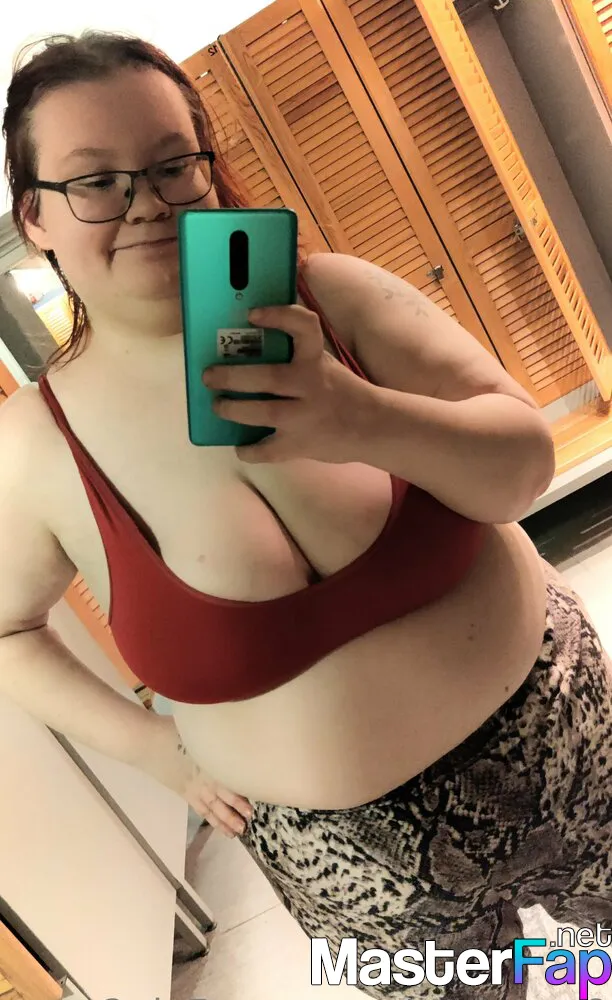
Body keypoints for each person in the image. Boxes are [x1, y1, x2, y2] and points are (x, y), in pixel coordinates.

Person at [1, 31, 610, 1000]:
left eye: (171, 163)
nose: (147, 202)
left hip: (563, 742)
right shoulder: (35, 448)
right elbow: (8, 631)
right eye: (95, 181)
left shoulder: (337, 296)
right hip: (352, 873)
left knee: (599, 960)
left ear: (206, 166)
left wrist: (359, 416)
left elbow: (523, 464)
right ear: (34, 214)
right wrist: (160, 753)